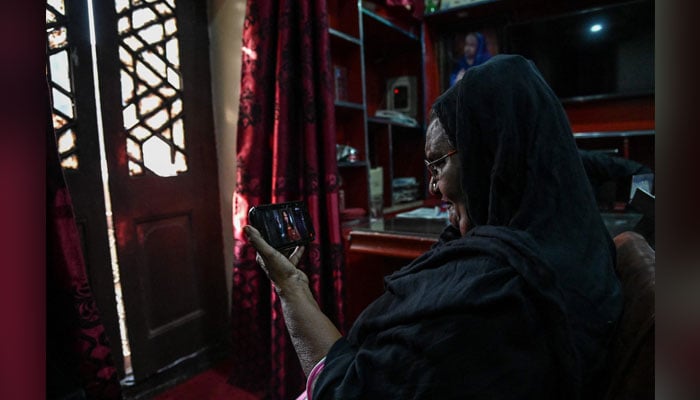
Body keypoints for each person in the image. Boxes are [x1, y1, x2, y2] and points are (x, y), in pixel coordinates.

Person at [244, 54, 622, 399]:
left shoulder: (491, 298)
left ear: (490, 155)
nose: (432, 185)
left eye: (438, 163)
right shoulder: (576, 242)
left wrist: (288, 286)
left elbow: (345, 392)